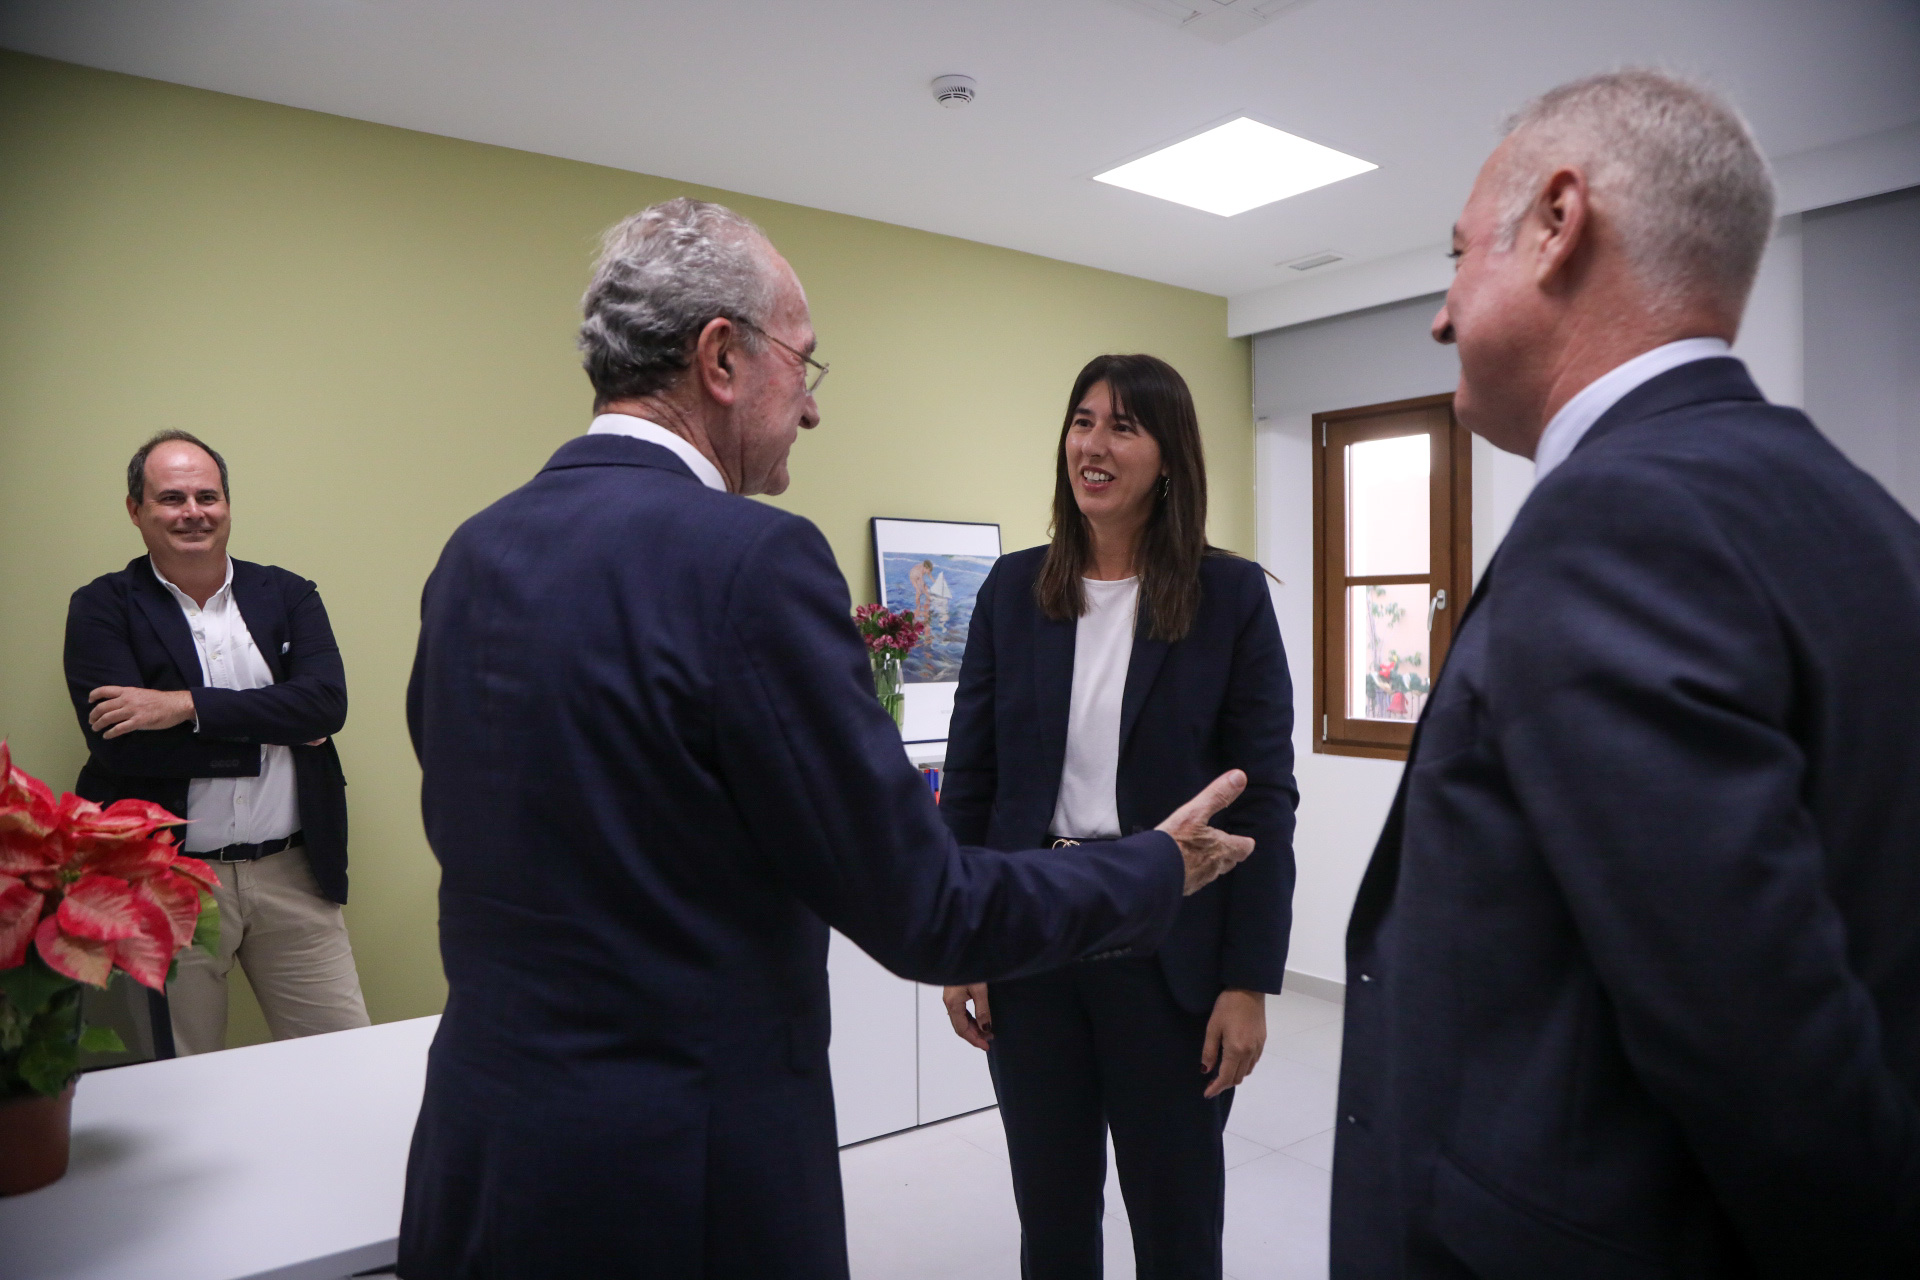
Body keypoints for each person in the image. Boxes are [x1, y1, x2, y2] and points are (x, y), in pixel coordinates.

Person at [398, 198, 1258, 1280]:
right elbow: (926, 905)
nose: (810, 408)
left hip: (484, 1150)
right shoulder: (751, 560)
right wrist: (1157, 865)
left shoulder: (475, 551)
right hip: (683, 1175)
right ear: (721, 357)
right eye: (803, 364)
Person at [1333, 70, 1920, 1277]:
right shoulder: (1865, 517)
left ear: (1558, 223)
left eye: (1457, 256)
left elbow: (1760, 1044)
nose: (1441, 315)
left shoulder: (1612, 519)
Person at [939, 353, 1297, 1280]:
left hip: (1170, 952)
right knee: (1052, 1213)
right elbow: (972, 778)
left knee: (1177, 1219)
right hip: (1033, 937)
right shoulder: (1012, 591)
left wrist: (1248, 982)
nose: (1093, 446)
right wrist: (962, 941)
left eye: (1124, 428)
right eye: (1083, 421)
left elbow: (1265, 803)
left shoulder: (1230, 598)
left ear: (1170, 456)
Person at [63, 430, 368, 1056]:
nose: (193, 512)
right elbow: (123, 747)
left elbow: (325, 705)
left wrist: (181, 706)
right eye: (171, 498)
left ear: (227, 503)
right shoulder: (103, 606)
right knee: (182, 1071)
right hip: (170, 880)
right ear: (136, 510)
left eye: (207, 496)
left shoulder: (288, 593)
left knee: (344, 1056)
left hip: (294, 873)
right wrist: (273, 733)